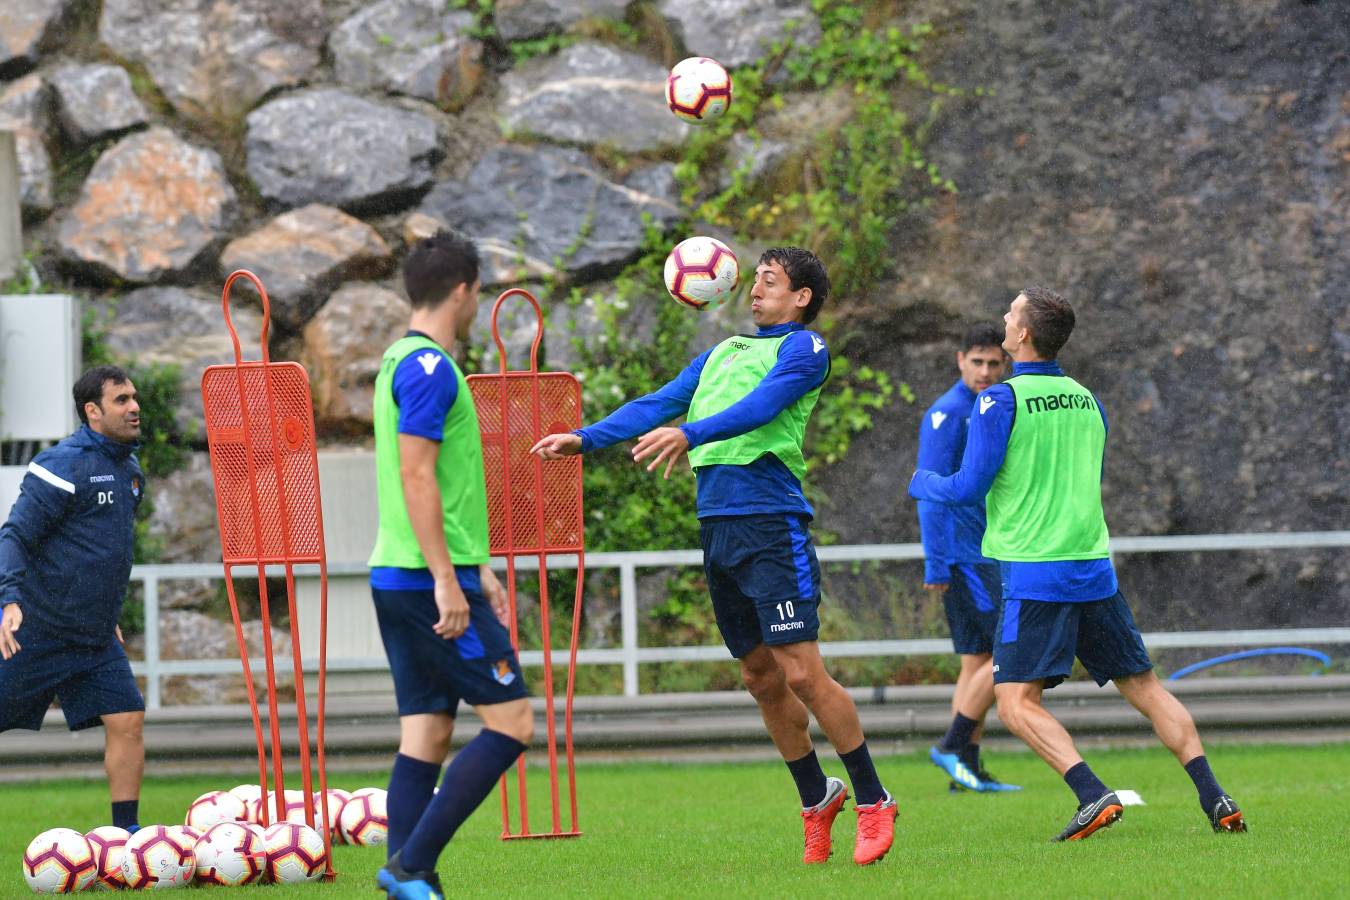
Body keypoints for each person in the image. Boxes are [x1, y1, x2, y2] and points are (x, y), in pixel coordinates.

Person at [532, 247, 897, 866]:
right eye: (754, 280)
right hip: (719, 527)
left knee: (803, 672)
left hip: (770, 525)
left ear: (802, 297)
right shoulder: (722, 352)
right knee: (759, 676)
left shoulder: (804, 351)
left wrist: (692, 433)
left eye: (771, 282)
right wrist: (585, 438)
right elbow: (658, 402)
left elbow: (759, 409)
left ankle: (873, 798)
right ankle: (816, 799)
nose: (755, 291)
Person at [909, 286, 1247, 840]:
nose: (1003, 318)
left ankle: (1091, 792)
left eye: (1010, 314)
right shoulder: (1088, 399)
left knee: (1015, 702)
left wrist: (924, 482)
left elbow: (968, 488)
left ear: (1022, 335)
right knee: (1146, 688)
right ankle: (1216, 795)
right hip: (1093, 565)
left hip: (1034, 570)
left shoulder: (999, 399)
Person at [370, 230, 534, 900]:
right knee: (513, 722)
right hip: (423, 579)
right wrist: (447, 577)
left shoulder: (396, 360)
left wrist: (478, 567)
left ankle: (409, 878)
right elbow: (417, 476)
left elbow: (439, 485)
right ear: (464, 290)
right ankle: (411, 865)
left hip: (406, 574)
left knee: (428, 733)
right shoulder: (432, 368)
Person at [0, 366, 147, 832]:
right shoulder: (60, 465)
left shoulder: (131, 469)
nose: (134, 407)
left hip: (94, 635)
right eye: (121, 399)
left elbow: (104, 550)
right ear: (93, 411)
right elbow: (16, 536)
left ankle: (127, 834)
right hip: (36, 629)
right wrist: (9, 600)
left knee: (127, 718)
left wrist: (108, 610)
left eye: (133, 397)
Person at [916, 323, 1020, 794]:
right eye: (976, 362)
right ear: (960, 360)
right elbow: (931, 493)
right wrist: (937, 563)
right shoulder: (948, 414)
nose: (984, 371)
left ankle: (965, 769)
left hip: (991, 552)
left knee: (975, 660)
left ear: (1006, 365)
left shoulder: (994, 407)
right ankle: (956, 749)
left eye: (993, 363)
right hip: (967, 557)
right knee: (1001, 655)